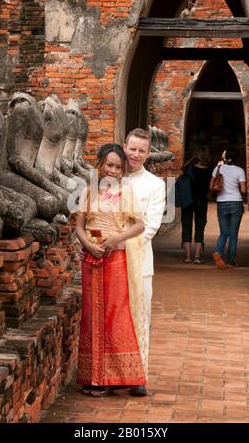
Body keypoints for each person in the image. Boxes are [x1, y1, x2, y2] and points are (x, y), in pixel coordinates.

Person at [75, 143, 148, 397]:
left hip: (116, 259)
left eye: (118, 167)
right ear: (100, 164)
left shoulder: (126, 193)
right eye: (109, 165)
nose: (113, 170)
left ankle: (112, 378)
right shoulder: (88, 192)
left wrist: (116, 239)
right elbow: (79, 227)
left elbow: (139, 225)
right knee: (91, 317)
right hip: (91, 259)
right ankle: (93, 378)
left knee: (114, 316)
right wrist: (88, 246)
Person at [123, 128, 166, 397]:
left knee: (139, 316)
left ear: (148, 154)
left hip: (139, 259)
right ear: (124, 146)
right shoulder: (110, 178)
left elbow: (151, 226)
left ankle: (138, 374)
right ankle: (111, 373)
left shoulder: (155, 184)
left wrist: (120, 243)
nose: (135, 154)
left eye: (141, 150)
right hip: (107, 258)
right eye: (132, 148)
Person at [210, 148, 247, 269]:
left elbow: (211, 185)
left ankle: (218, 251)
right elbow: (243, 190)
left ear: (225, 157)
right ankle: (231, 261)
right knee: (233, 234)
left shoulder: (218, 169)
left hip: (221, 202)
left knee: (224, 232)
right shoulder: (240, 171)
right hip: (236, 202)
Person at [180, 146, 212, 264]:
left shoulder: (190, 168)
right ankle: (197, 257)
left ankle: (188, 256)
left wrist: (192, 158)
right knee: (200, 227)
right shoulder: (210, 170)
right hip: (202, 201)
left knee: (186, 227)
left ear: (196, 156)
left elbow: (182, 167)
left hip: (188, 201)